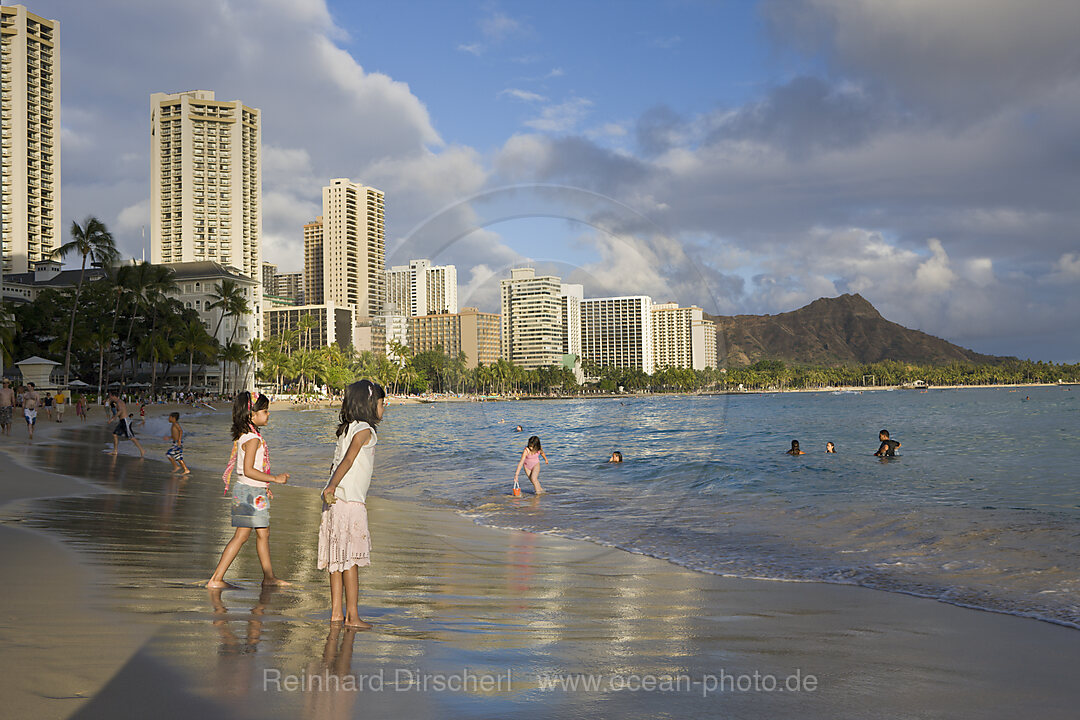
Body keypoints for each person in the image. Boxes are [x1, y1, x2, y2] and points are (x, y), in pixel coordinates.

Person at [319, 380, 386, 629]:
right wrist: (331, 486)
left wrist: (330, 487)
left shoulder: (347, 429)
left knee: (337, 561)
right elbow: (347, 461)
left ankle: (337, 613)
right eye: (381, 403)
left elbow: (336, 462)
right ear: (369, 405)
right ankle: (353, 615)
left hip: (335, 503)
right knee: (351, 563)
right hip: (351, 502)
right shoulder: (365, 431)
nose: (383, 408)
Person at [208, 391, 290, 589]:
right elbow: (249, 470)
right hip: (250, 493)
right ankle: (216, 579)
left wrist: (265, 486)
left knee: (263, 533)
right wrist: (274, 479)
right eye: (265, 411)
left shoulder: (246, 436)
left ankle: (268, 577)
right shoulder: (252, 438)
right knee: (242, 536)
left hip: (251, 492)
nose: (268, 414)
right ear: (251, 415)